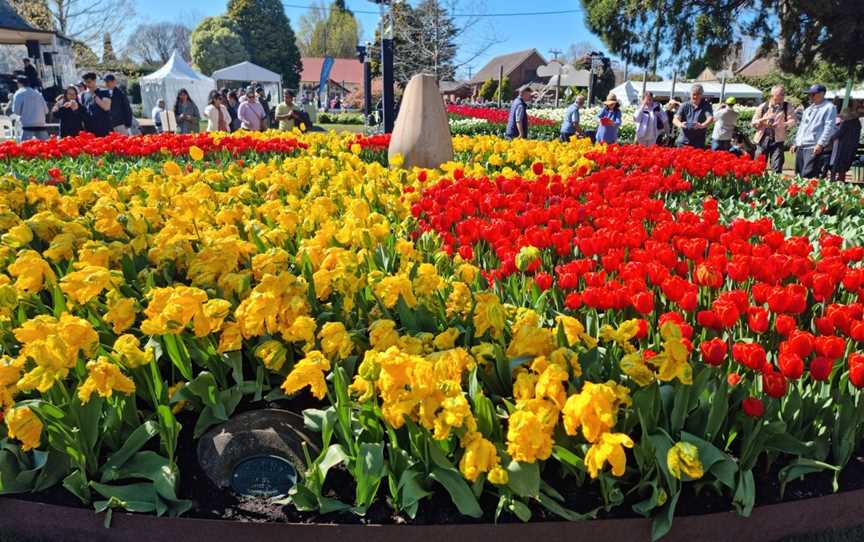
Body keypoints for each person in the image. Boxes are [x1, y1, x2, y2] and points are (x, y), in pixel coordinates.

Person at [792, 84, 837, 178]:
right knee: (799, 175)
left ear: (822, 94)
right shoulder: (808, 109)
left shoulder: (829, 107)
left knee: (808, 175)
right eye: (809, 94)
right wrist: (796, 143)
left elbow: (829, 127)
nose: (810, 96)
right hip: (802, 146)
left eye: (813, 94)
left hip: (813, 146)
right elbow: (802, 127)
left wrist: (820, 144)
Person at [751, 85, 796, 173]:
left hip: (778, 140)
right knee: (758, 167)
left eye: (783, 94)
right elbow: (753, 123)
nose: (783, 96)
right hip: (762, 139)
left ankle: (774, 184)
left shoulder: (787, 106)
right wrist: (763, 120)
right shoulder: (763, 106)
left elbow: (793, 121)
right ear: (772, 95)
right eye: (780, 94)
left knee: (777, 166)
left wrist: (782, 124)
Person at [828, 104, 863, 183]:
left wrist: (829, 138)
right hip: (853, 147)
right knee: (844, 166)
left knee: (838, 165)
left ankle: (835, 181)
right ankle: (841, 181)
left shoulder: (846, 123)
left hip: (843, 147)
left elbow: (838, 134)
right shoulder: (857, 123)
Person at [674, 84, 713, 148]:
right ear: (690, 94)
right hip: (683, 141)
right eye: (693, 94)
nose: (695, 96)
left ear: (702, 95)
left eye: (698, 94)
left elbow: (710, 118)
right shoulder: (684, 105)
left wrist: (702, 125)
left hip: (698, 142)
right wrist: (680, 124)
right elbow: (675, 119)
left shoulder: (706, 105)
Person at [11, 75, 48, 141]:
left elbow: (16, 111)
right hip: (41, 124)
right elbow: (46, 111)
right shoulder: (38, 94)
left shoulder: (19, 93)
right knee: (47, 147)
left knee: (24, 149)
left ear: (20, 83)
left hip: (27, 126)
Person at [80, 72, 112, 137]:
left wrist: (94, 95)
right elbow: (84, 110)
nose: (87, 84)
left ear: (94, 81)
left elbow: (106, 107)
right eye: (85, 82)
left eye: (89, 82)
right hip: (89, 128)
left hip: (102, 128)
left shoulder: (104, 92)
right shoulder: (84, 94)